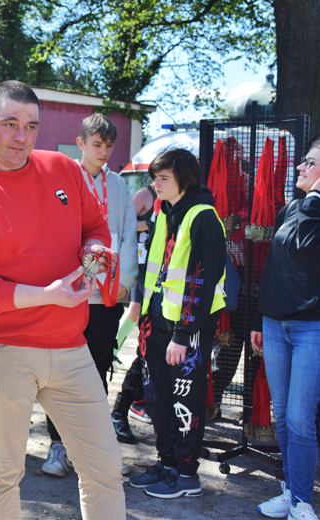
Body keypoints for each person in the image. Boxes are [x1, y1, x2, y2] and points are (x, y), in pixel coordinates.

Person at [0, 80, 125, 520]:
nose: (21, 136)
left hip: (71, 348)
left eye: (30, 126)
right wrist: (46, 296)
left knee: (104, 469)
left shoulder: (63, 168)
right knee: (3, 475)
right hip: (3, 353)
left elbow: (96, 227)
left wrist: (92, 252)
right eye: (9, 123)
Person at [42, 113, 138, 478]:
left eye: (109, 145)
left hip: (107, 296)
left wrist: (125, 280)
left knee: (98, 369)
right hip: (71, 292)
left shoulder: (119, 186)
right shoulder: (62, 179)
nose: (104, 151)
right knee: (60, 371)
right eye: (97, 144)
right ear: (80, 143)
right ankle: (57, 446)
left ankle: (94, 449)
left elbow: (128, 235)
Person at [128, 149, 226, 499]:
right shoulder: (167, 213)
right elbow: (154, 272)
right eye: (154, 177)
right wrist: (144, 322)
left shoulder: (203, 217)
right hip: (157, 325)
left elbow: (202, 280)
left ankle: (186, 475)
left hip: (187, 330)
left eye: (162, 178)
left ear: (184, 180)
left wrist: (184, 333)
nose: (154, 184)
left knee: (185, 401)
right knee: (158, 399)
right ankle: (167, 463)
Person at [251, 141, 320, 520]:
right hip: (275, 324)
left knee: (299, 418)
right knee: (282, 415)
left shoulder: (311, 210)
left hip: (312, 327)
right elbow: (274, 265)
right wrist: (259, 320)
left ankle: (303, 501)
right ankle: (290, 493)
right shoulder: (290, 208)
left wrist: (317, 196)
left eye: (309, 163)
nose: (299, 168)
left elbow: (309, 242)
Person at [111, 183, 159, 443]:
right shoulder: (145, 194)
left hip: (158, 269)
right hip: (141, 266)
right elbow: (121, 224)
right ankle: (113, 350)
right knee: (137, 317)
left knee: (136, 315)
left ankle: (132, 405)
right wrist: (151, 227)